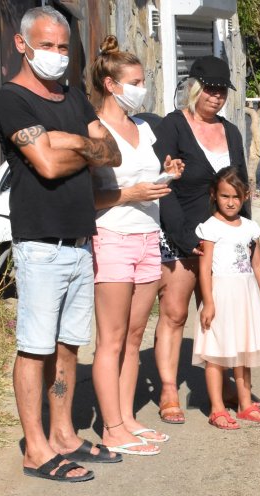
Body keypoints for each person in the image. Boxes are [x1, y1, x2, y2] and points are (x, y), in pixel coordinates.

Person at [0, 6, 122, 482]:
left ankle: (65, 434)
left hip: (79, 240)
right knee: (35, 348)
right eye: (46, 46)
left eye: (63, 47)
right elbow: (44, 167)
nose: (56, 55)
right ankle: (36, 448)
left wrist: (66, 140)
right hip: (41, 242)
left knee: (69, 345)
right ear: (22, 45)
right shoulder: (12, 100)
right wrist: (77, 149)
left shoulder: (72, 96)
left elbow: (112, 150)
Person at [88, 35, 184, 456]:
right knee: (109, 339)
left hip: (149, 237)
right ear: (111, 84)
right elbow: (90, 196)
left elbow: (148, 181)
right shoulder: (95, 129)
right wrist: (133, 194)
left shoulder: (143, 127)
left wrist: (168, 174)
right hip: (112, 237)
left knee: (133, 336)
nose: (141, 89)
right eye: (136, 81)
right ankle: (110, 428)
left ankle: (126, 418)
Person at [153, 56, 249, 424]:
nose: (216, 96)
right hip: (183, 238)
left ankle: (219, 385)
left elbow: (241, 191)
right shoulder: (172, 127)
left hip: (224, 244)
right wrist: (183, 235)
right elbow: (163, 187)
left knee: (218, 316)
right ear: (193, 86)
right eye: (209, 88)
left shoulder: (232, 132)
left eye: (222, 89)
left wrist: (247, 240)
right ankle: (167, 390)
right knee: (174, 313)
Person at [194, 167, 260, 429]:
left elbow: (258, 264)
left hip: (245, 295)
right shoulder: (209, 228)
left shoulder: (250, 227)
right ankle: (217, 408)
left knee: (244, 351)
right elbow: (204, 269)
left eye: (236, 197)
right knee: (216, 354)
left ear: (246, 196)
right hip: (221, 297)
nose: (230, 202)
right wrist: (208, 302)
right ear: (214, 195)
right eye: (225, 196)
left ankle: (245, 403)